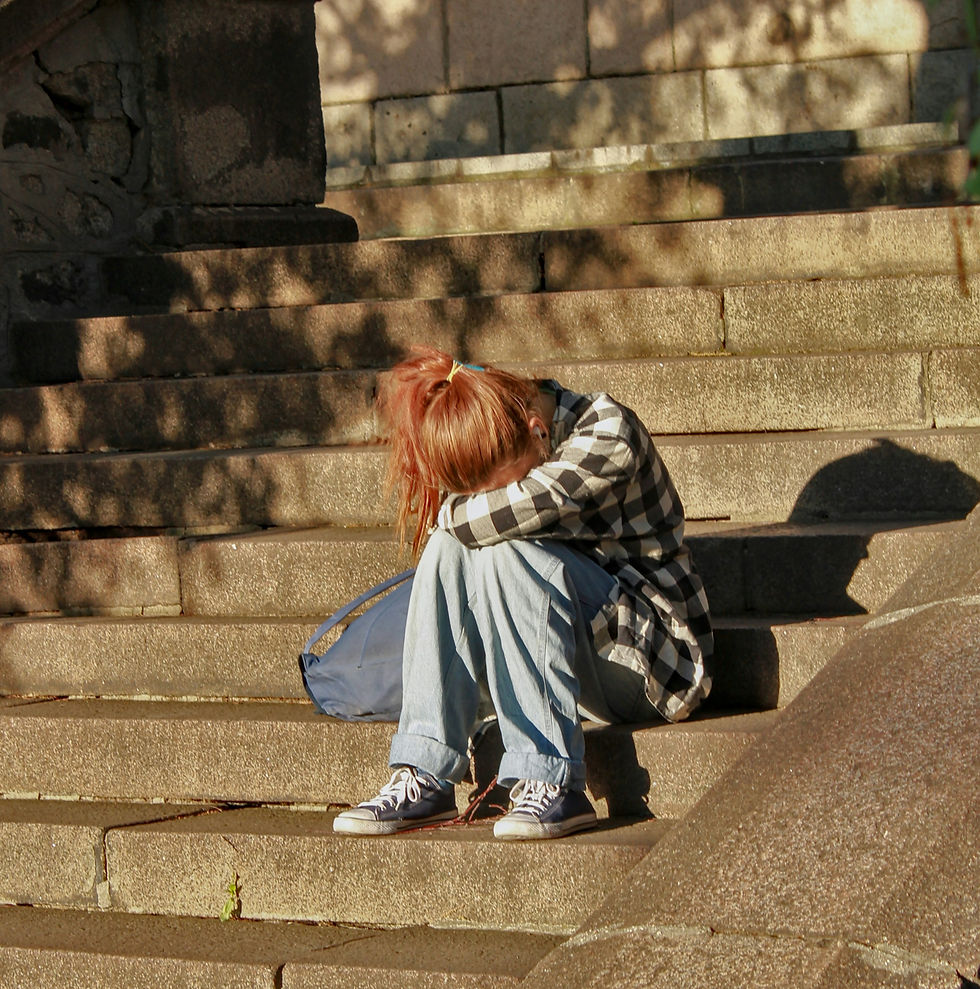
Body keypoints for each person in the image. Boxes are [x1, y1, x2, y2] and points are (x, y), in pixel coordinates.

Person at [333, 346, 713, 840]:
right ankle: (425, 769)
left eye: (502, 484)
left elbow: (483, 519)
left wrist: (452, 514)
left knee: (498, 545)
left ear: (537, 429)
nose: (489, 498)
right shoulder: (514, 438)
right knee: (455, 549)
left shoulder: (607, 433)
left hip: (655, 664)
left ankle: (551, 780)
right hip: (575, 659)